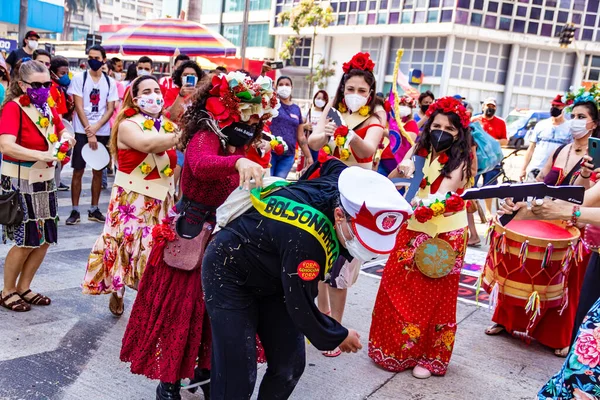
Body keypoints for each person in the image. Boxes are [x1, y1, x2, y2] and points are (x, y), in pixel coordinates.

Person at [120, 71, 278, 400]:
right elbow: (201, 163)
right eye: (240, 114)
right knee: (181, 313)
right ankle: (169, 384)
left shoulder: (240, 142)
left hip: (223, 237)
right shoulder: (206, 135)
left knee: (214, 313)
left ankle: (205, 373)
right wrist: (236, 162)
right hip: (190, 236)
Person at [203, 159, 411, 399]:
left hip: (274, 270)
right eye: (360, 239)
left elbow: (331, 163)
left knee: (289, 366)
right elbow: (300, 305)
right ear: (339, 215)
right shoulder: (307, 244)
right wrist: (338, 335)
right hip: (230, 272)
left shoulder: (344, 187)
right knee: (237, 373)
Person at [369, 96, 473, 379]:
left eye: (449, 129)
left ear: (459, 133)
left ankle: (430, 357)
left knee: (434, 296)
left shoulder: (462, 158)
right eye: (436, 125)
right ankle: (394, 350)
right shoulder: (419, 148)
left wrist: (415, 199)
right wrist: (401, 171)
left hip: (445, 234)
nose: (441, 132)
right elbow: (398, 178)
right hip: (412, 226)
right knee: (396, 287)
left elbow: (443, 196)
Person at [491, 90, 600, 358]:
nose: (574, 121)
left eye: (581, 117)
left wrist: (568, 207)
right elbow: (551, 184)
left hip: (578, 228)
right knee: (530, 273)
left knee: (570, 289)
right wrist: (523, 205)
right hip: (551, 216)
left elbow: (584, 201)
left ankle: (562, 337)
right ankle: (510, 322)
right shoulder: (561, 150)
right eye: (572, 116)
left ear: (594, 124)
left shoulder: (594, 158)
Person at [308, 52, 387, 356]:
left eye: (361, 91)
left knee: (341, 265)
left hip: (354, 198)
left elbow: (368, 151)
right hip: (323, 190)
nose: (355, 95)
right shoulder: (333, 111)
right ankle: (323, 319)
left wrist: (349, 134)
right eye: (350, 89)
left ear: (370, 93)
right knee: (318, 259)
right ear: (342, 89)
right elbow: (314, 143)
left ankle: (336, 330)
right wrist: (325, 132)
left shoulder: (376, 118)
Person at [82, 75, 179, 316]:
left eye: (156, 89)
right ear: (135, 98)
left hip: (160, 199)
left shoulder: (168, 125)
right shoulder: (127, 125)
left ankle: (149, 300)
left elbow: (173, 163)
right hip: (132, 200)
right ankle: (118, 289)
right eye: (146, 91)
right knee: (126, 244)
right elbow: (147, 145)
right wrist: (183, 135)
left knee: (154, 248)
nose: (153, 95)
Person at [0, 60, 75, 312]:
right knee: (25, 240)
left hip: (45, 178)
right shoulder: (13, 108)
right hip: (21, 178)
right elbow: (6, 145)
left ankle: (24, 286)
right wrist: (39, 154)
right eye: (37, 85)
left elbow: (61, 128)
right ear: (22, 85)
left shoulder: (47, 106)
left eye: (47, 84)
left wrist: (67, 138)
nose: (43, 89)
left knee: (44, 239)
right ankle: (8, 290)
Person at [66, 45, 118, 225]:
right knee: (78, 171)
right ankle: (75, 210)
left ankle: (94, 209)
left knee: (99, 170)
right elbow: (78, 106)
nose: (93, 60)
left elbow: (110, 108)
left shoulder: (109, 82)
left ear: (104, 60)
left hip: (101, 131)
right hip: (82, 131)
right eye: (90, 57)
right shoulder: (80, 78)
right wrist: (89, 130)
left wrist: (96, 128)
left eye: (97, 57)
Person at [520, 95, 572, 182]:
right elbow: (531, 148)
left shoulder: (569, 128)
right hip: (535, 168)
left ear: (564, 108)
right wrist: (523, 168)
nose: (554, 108)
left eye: (558, 106)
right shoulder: (541, 125)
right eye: (553, 106)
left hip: (556, 171)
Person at [270, 76, 313, 178]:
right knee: (266, 183)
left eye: (287, 84)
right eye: (281, 84)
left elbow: (301, 137)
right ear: (276, 87)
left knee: (278, 185)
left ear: (291, 87)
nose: (284, 87)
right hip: (270, 152)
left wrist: (309, 157)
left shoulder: (296, 109)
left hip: (288, 155)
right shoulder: (272, 104)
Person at [472, 97, 507, 216]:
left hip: (492, 160)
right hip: (476, 158)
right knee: (471, 184)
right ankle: (471, 210)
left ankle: (488, 212)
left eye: (493, 107)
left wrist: (492, 142)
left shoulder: (500, 122)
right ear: (483, 106)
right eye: (488, 106)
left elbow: (505, 141)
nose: (490, 109)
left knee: (490, 186)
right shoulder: (474, 120)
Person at [49, 55, 74, 192]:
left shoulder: (60, 88)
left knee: (61, 158)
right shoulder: (53, 88)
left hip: (62, 126)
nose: (65, 76)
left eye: (66, 73)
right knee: (58, 157)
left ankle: (56, 181)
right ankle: (53, 182)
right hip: (56, 128)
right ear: (53, 73)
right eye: (62, 73)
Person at [378, 94, 419, 176]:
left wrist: (391, 132)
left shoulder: (411, 123)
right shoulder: (393, 121)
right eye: (402, 105)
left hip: (398, 160)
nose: (404, 107)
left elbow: (409, 140)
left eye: (407, 106)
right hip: (385, 157)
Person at [303, 89, 329, 162]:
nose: (320, 100)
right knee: (307, 163)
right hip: (308, 142)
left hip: (320, 144)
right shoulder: (308, 112)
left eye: (323, 99)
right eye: (318, 98)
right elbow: (299, 125)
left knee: (318, 164)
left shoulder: (326, 114)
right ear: (314, 99)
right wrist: (305, 126)